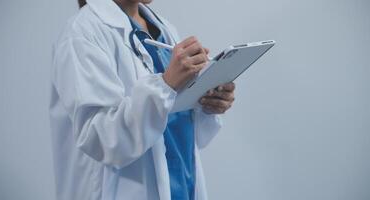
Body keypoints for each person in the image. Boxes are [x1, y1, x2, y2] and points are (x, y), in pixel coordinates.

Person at [49, 0, 235, 199]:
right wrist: (166, 84)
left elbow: (179, 129)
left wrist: (206, 103)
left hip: (183, 185)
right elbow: (102, 139)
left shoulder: (164, 28)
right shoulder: (82, 33)